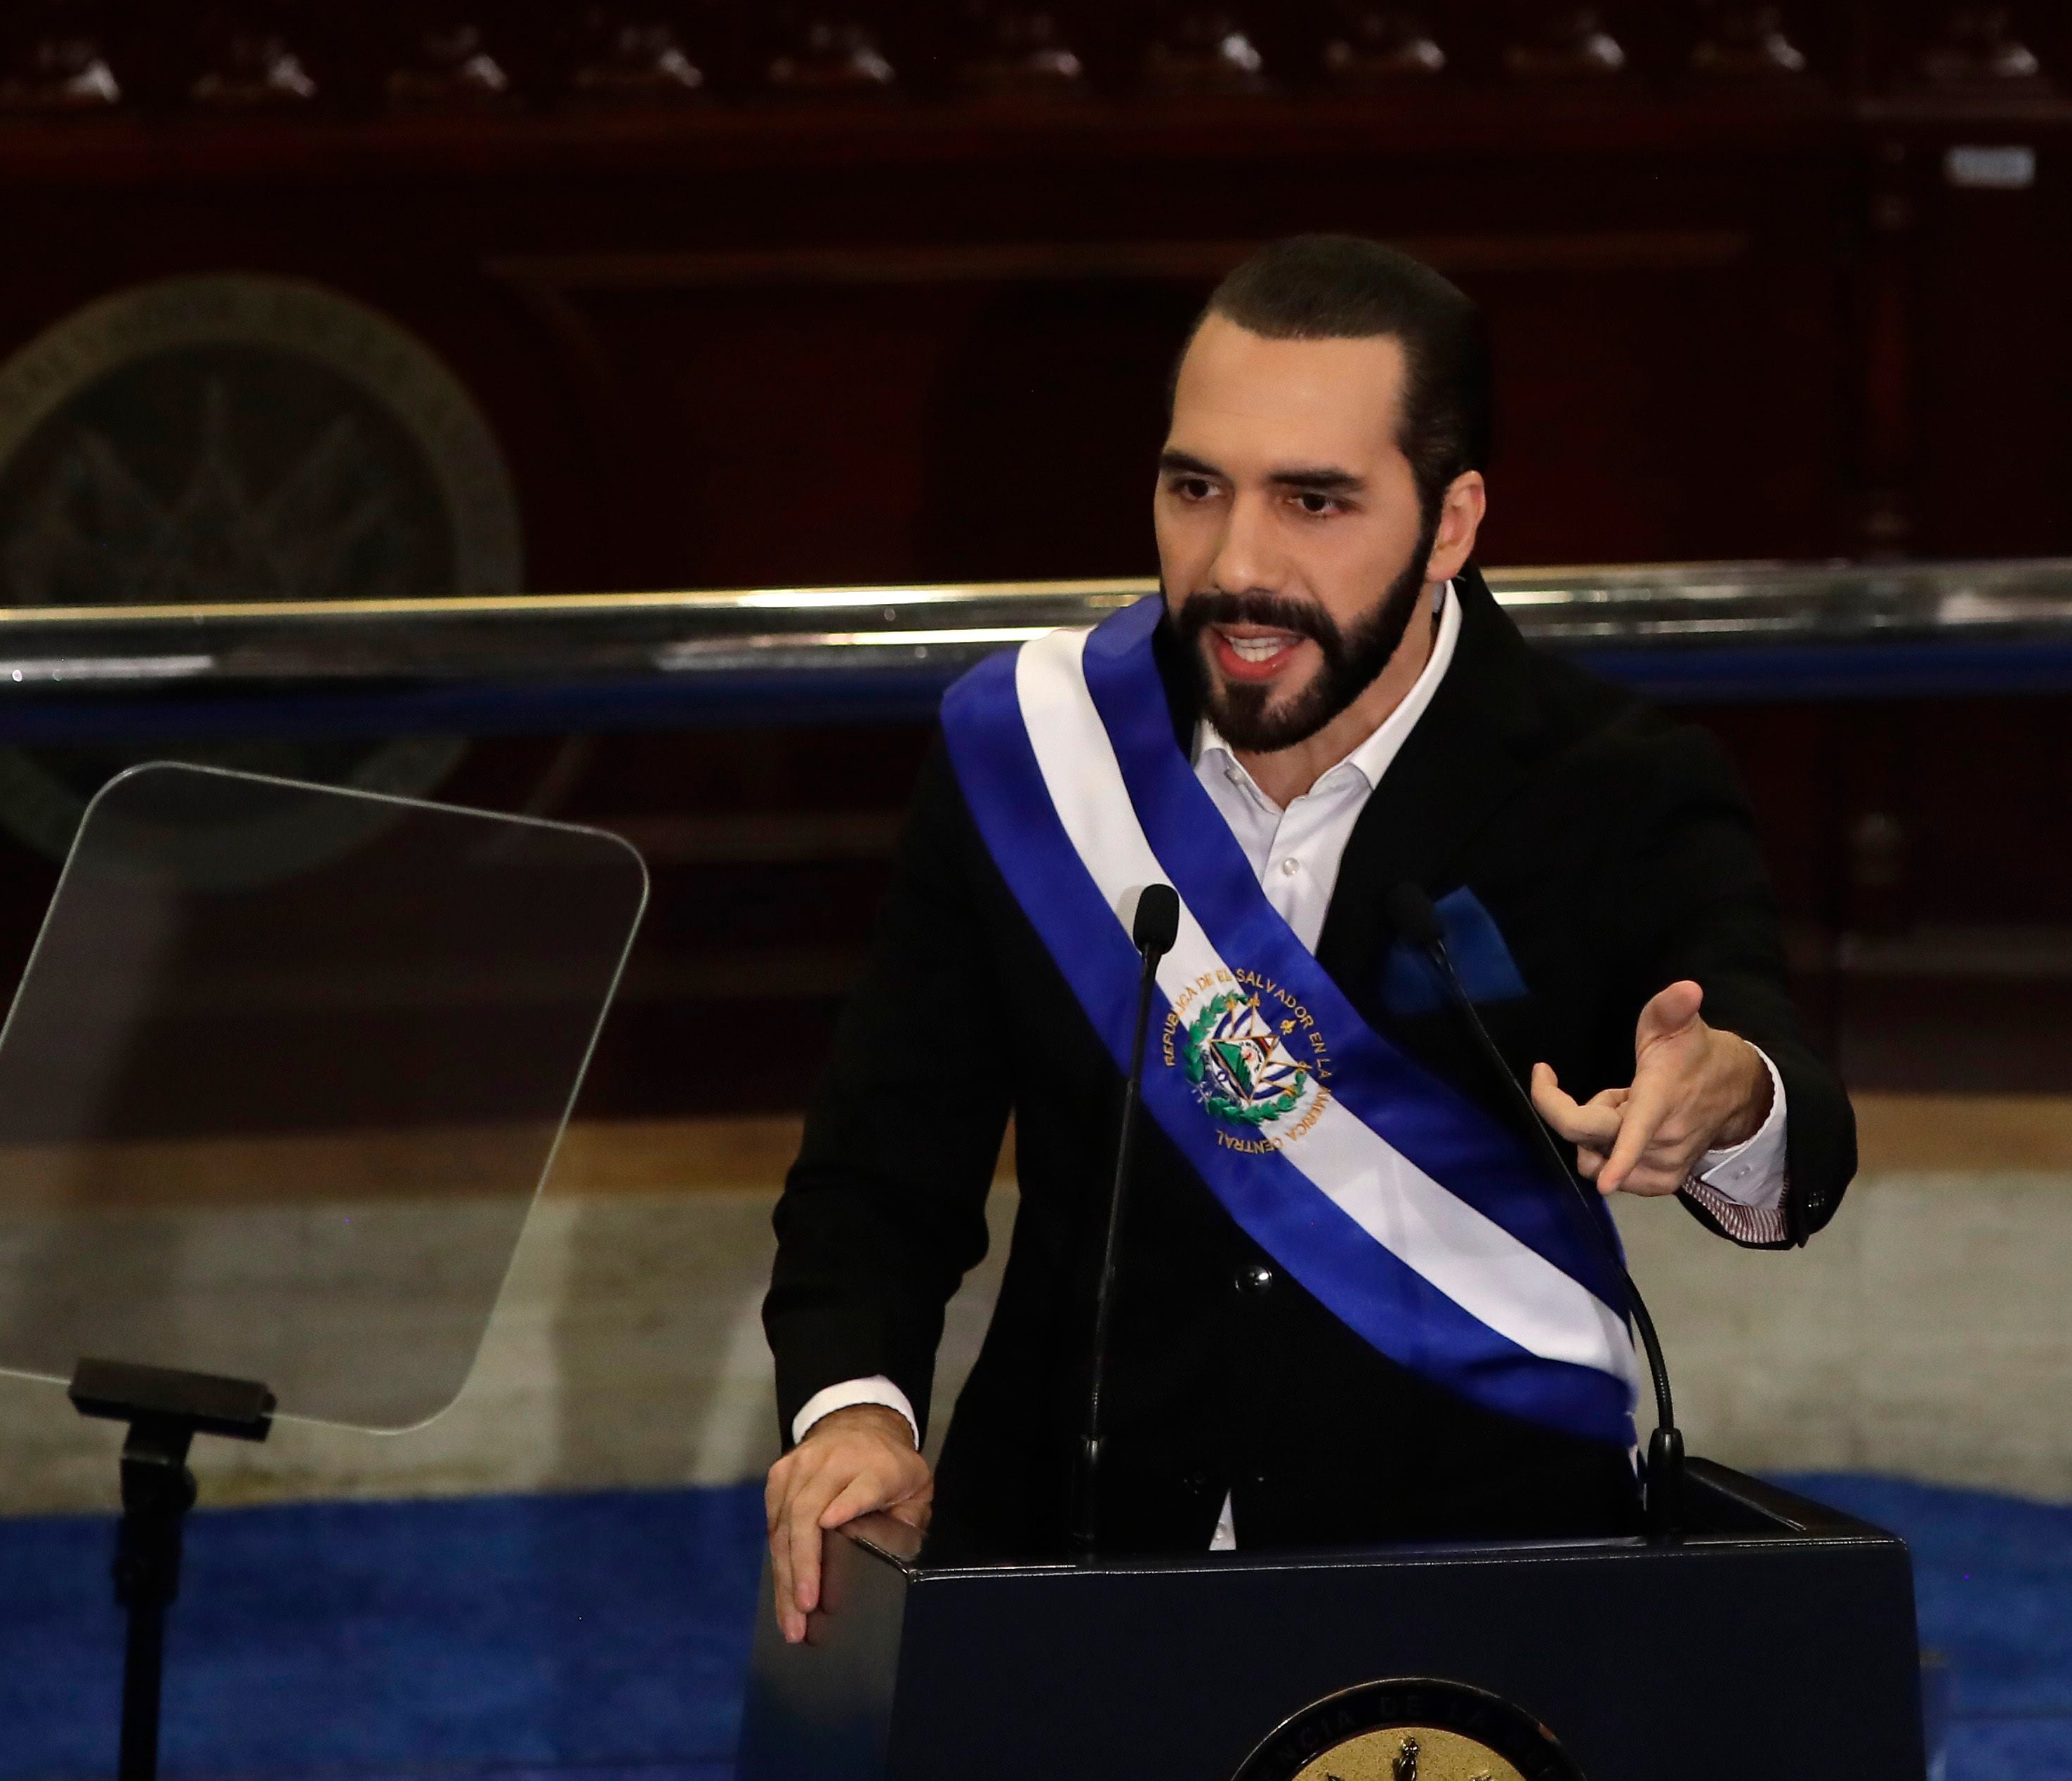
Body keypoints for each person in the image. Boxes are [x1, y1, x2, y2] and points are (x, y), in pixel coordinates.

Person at [760, 235, 1855, 1640]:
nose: (1236, 564)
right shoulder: (1036, 754)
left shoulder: (1609, 784)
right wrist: (855, 1408)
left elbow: (1799, 1145)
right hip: (1069, 1568)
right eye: (1194, 488)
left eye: (1315, 502)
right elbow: (878, 1165)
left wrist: (1732, 1099)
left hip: (1480, 1586)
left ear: (1451, 523)